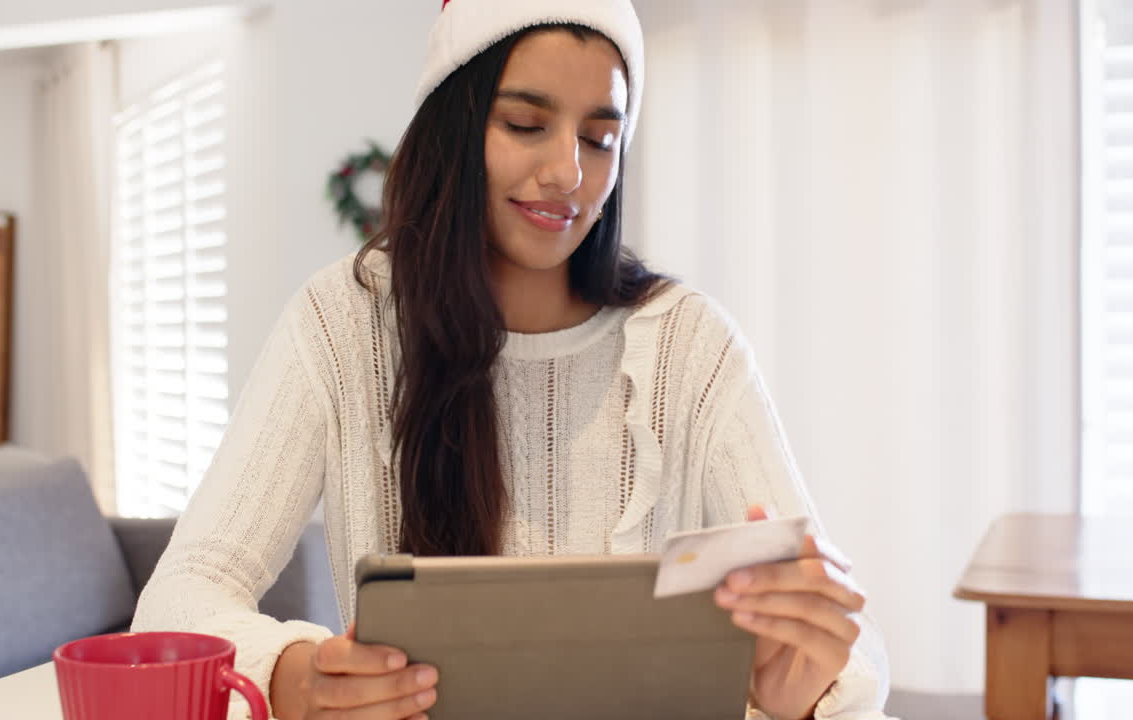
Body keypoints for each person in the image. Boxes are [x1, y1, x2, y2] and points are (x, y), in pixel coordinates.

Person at [132, 1, 893, 718]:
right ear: (454, 131)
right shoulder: (341, 324)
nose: (569, 171)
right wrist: (294, 677)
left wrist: (800, 692)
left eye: (600, 139)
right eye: (527, 123)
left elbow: (853, 660)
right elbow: (179, 598)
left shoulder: (691, 345)